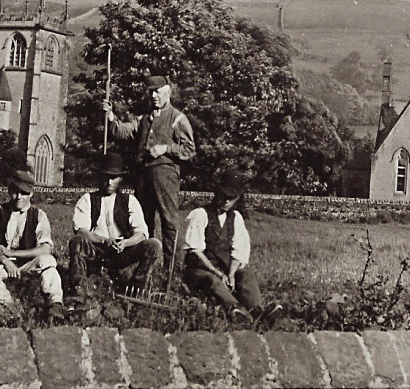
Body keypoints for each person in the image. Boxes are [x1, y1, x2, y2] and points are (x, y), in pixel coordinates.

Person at [102, 75, 196, 275]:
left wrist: (166, 148)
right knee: (144, 222)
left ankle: (170, 271)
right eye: (150, 92)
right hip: (143, 177)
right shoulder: (144, 119)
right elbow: (122, 131)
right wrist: (110, 117)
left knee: (169, 222)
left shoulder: (178, 118)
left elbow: (189, 150)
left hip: (166, 176)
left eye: (158, 92)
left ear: (168, 92)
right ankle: (146, 270)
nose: (153, 96)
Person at [182, 170, 281, 325]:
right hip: (200, 271)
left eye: (231, 198)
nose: (226, 201)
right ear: (217, 192)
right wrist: (216, 272)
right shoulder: (200, 214)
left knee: (247, 276)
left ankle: (257, 311)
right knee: (213, 281)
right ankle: (236, 309)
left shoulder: (235, 218)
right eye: (224, 196)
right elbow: (195, 251)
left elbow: (239, 250)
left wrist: (232, 274)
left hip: (225, 269)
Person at [0, 170, 64, 320]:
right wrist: (4, 260)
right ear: (9, 191)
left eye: (24, 193)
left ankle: (55, 304)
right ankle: (8, 304)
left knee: (48, 261)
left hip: (27, 266)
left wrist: (12, 254)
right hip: (0, 266)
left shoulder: (39, 216)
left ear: (31, 194)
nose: (19, 197)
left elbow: (46, 248)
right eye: (15, 192)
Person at [68, 152, 162, 292]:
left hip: (121, 253)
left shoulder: (129, 201)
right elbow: (81, 230)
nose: (109, 182)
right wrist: (104, 240)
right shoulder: (87, 199)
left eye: (113, 178)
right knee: (77, 241)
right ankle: (79, 288)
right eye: (105, 177)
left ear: (120, 178)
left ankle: (135, 289)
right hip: (96, 251)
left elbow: (141, 233)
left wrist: (126, 243)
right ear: (99, 177)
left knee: (154, 245)